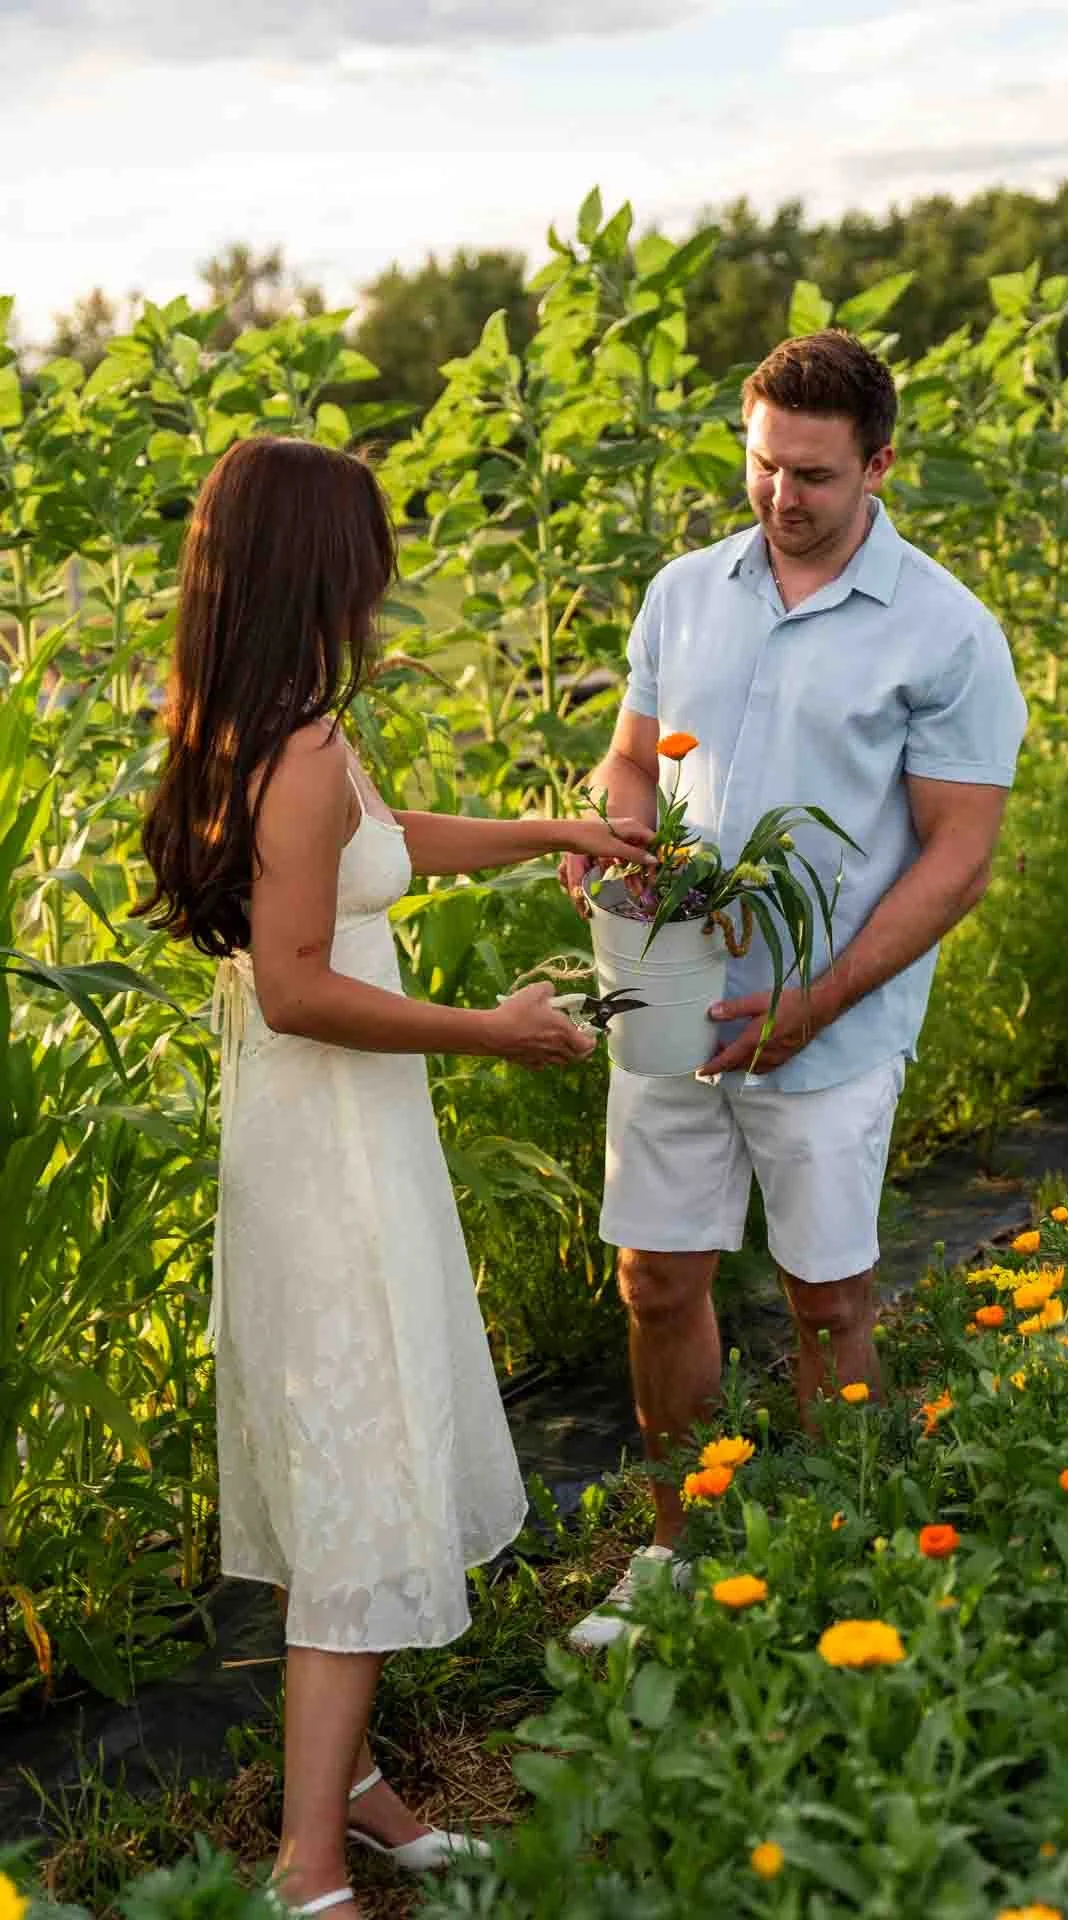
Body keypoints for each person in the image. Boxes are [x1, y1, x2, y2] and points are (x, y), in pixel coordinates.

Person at [137, 435, 653, 1918]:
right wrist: (491, 1034)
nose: (384, 579)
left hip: (329, 1139)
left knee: (339, 1465)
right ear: (320, 565)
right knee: (357, 1484)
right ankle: (306, 1870)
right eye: (368, 551)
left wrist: (549, 824)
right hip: (333, 1149)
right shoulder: (291, 747)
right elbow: (299, 985)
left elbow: (386, 846)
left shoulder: (274, 723)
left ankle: (351, 1789)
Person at [560, 327, 1028, 1650]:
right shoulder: (684, 593)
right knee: (657, 1280)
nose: (780, 496)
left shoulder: (942, 631)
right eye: (764, 464)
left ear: (879, 466)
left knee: (824, 1295)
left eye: (814, 475)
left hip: (828, 1024)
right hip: (672, 996)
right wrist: (617, 845)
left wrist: (817, 1000)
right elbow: (631, 763)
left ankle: (827, 1560)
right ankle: (673, 1547)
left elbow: (958, 853)